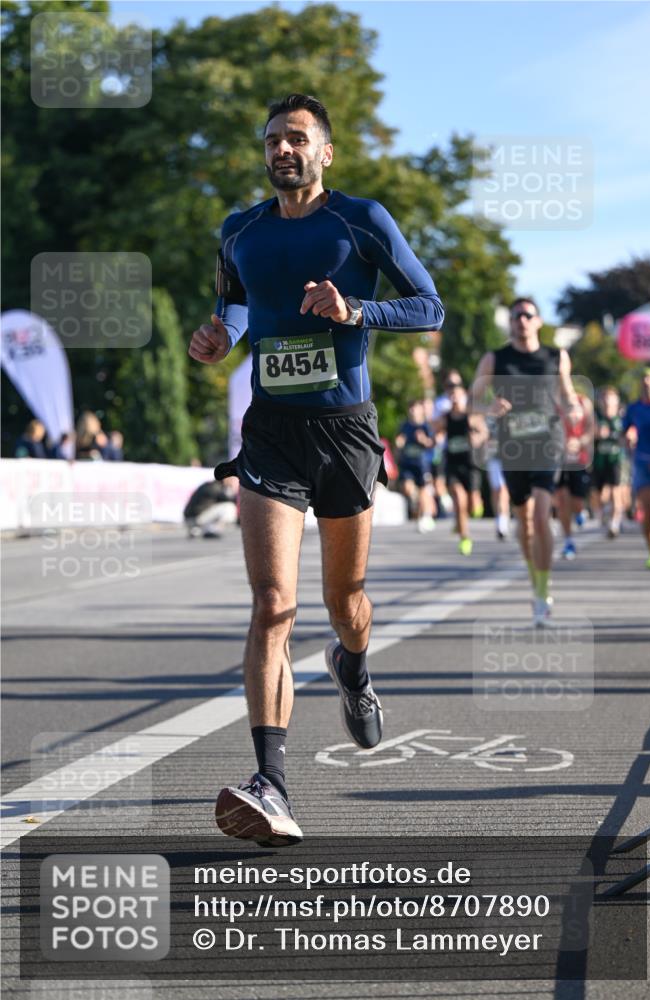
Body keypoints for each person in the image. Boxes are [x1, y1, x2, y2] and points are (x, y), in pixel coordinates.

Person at [188, 93, 444, 846]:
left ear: (324, 152)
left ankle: (352, 666)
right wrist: (218, 336)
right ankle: (271, 780)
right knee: (272, 604)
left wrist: (355, 310)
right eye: (272, 139)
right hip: (270, 432)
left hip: (344, 432)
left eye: (296, 138)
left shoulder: (359, 220)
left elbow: (428, 306)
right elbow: (237, 304)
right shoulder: (240, 230)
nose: (281, 150)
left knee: (346, 604)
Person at [471, 297, 581, 626]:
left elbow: (567, 393)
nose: (521, 320)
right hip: (513, 447)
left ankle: (542, 593)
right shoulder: (495, 358)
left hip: (548, 442)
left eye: (527, 315)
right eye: (517, 315)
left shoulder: (556, 356)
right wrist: (488, 408)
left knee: (541, 513)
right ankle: (536, 581)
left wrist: (574, 408)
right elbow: (472, 399)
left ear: (538, 321)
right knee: (524, 521)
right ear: (511, 322)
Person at [623, 367, 650, 570]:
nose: (647, 387)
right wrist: (629, 436)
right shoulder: (634, 408)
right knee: (646, 510)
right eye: (644, 383)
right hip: (643, 461)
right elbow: (626, 429)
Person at [440, 384, 485, 555]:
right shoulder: (445, 418)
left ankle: (474, 502)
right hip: (453, 464)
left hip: (470, 464)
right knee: (459, 499)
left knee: (473, 505)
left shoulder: (471, 416)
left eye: (457, 395)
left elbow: (484, 433)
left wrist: (477, 438)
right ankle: (465, 537)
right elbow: (434, 430)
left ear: (463, 396)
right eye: (450, 395)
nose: (454, 398)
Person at [554, 389, 594, 560]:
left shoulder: (583, 401)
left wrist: (579, 442)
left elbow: (592, 430)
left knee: (576, 501)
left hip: (578, 458)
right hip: (557, 458)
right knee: (562, 499)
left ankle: (580, 512)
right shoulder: (551, 401)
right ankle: (568, 541)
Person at [395, 399, 436, 532]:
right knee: (407, 488)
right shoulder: (405, 426)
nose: (412, 411)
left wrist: (424, 440)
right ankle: (415, 500)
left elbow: (431, 444)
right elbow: (398, 441)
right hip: (407, 463)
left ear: (421, 410)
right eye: (411, 408)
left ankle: (425, 517)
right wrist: (398, 445)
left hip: (422, 464)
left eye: (415, 408)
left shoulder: (426, 426)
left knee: (424, 490)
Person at [591, 386, 625, 538]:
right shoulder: (596, 417)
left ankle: (614, 524)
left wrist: (628, 436)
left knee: (616, 492)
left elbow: (629, 434)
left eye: (610, 398)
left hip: (615, 460)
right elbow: (587, 434)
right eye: (604, 398)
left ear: (616, 400)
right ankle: (604, 511)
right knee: (599, 495)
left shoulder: (621, 417)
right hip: (598, 460)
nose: (607, 401)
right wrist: (595, 433)